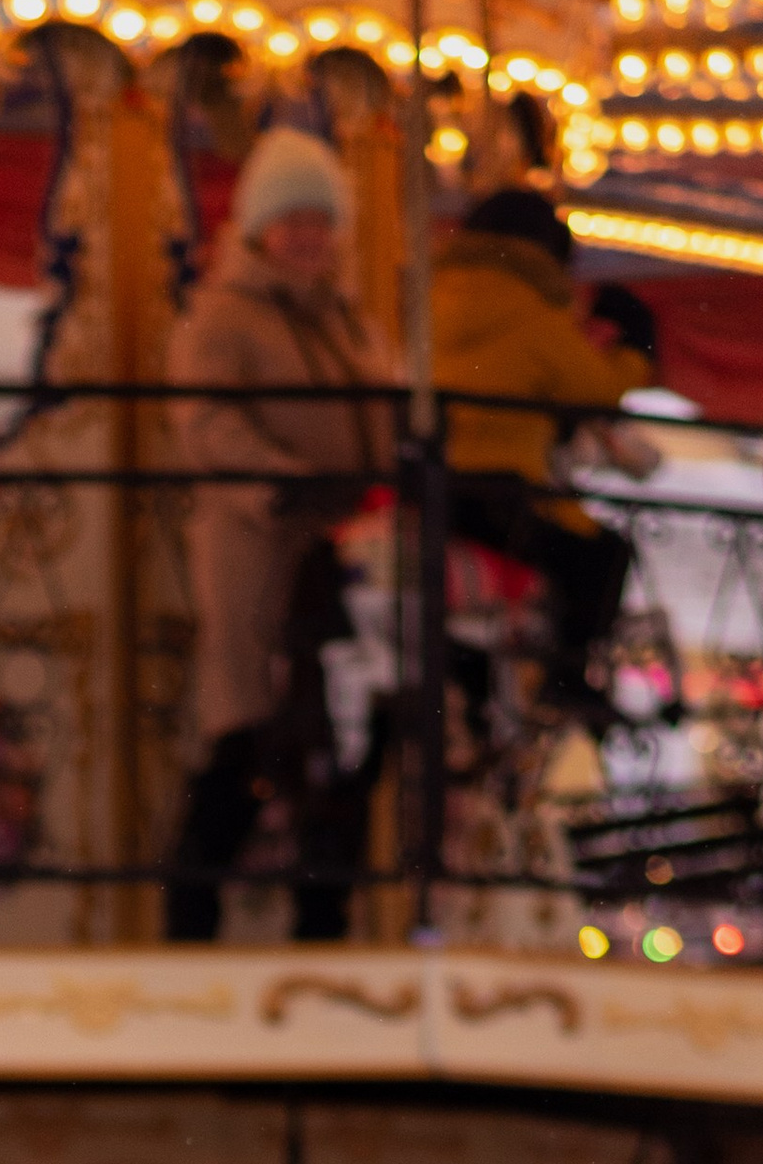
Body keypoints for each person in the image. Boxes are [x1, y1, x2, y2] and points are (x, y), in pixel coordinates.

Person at [166, 127, 395, 943]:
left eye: (320, 220)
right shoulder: (225, 317)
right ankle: (191, 921)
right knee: (255, 727)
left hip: (345, 551)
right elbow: (205, 422)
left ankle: (321, 922)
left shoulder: (348, 322)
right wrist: (282, 480)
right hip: (263, 547)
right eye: (293, 219)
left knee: (343, 737)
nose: (308, 236)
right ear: (260, 228)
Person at [432, 187, 655, 720]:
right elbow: (596, 389)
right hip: (500, 492)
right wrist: (635, 351)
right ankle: (568, 676)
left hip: (438, 482)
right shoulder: (534, 310)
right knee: (603, 555)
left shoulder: (432, 293)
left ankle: (485, 690)